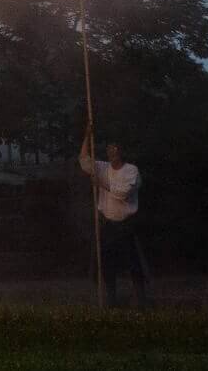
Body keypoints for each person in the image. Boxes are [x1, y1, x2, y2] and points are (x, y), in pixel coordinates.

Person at [79, 127, 150, 308]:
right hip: (108, 224)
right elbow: (84, 161)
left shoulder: (131, 171)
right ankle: (111, 299)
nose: (113, 152)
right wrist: (87, 136)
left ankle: (141, 300)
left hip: (126, 225)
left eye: (116, 149)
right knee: (107, 263)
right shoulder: (102, 167)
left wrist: (101, 183)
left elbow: (124, 192)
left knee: (133, 263)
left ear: (123, 151)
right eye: (110, 149)